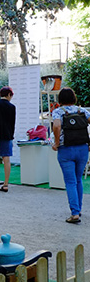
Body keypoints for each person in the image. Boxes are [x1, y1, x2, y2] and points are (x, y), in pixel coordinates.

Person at [51, 87, 90, 223]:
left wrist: (56, 143)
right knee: (78, 179)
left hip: (66, 149)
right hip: (83, 149)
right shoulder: (82, 111)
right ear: (74, 98)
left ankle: (74, 213)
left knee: (70, 182)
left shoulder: (58, 112)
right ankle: (78, 209)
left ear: (60, 99)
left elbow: (56, 126)